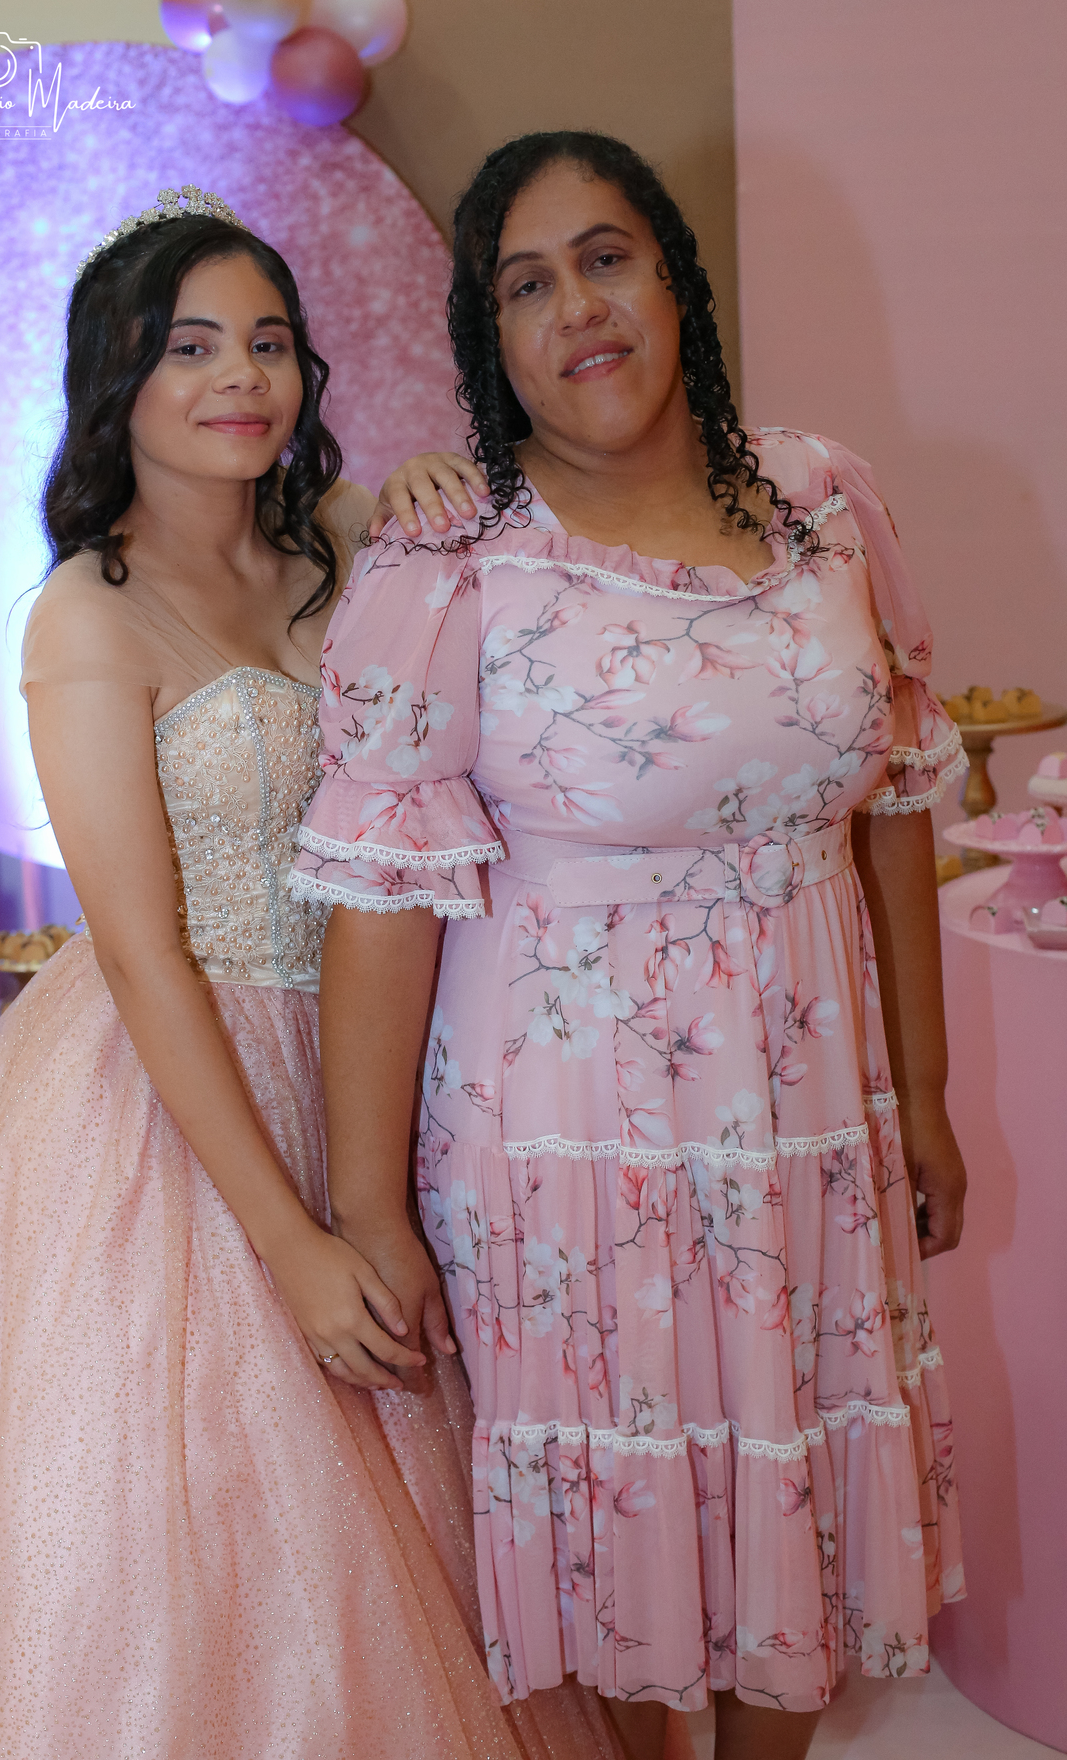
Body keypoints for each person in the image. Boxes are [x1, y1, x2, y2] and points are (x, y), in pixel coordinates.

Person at [0, 189, 620, 1760]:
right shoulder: (87, 613)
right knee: (216, 1512)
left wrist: (426, 492)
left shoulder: (335, 543)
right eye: (192, 346)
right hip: (172, 1076)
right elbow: (141, 955)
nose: (242, 377)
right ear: (119, 379)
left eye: (269, 343)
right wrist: (288, 1239)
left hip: (384, 1040)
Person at [296, 134, 968, 1760]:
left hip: (808, 1121)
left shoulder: (824, 500)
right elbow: (381, 908)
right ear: (489, 338)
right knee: (620, 1529)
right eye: (525, 285)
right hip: (567, 1148)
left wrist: (929, 1095)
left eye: (607, 257)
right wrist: (370, 1209)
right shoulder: (449, 563)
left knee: (793, 1505)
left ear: (676, 279)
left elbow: (891, 797)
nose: (578, 308)